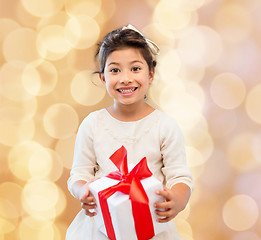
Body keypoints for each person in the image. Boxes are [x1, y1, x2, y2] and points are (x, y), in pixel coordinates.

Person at [66, 24, 193, 240]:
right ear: (103, 78)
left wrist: (177, 200)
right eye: (115, 70)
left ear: (151, 74)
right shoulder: (93, 124)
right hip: (101, 227)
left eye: (135, 68)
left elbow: (180, 176)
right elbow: (79, 175)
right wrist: (83, 192)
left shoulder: (165, 126)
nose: (125, 78)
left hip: (150, 226)